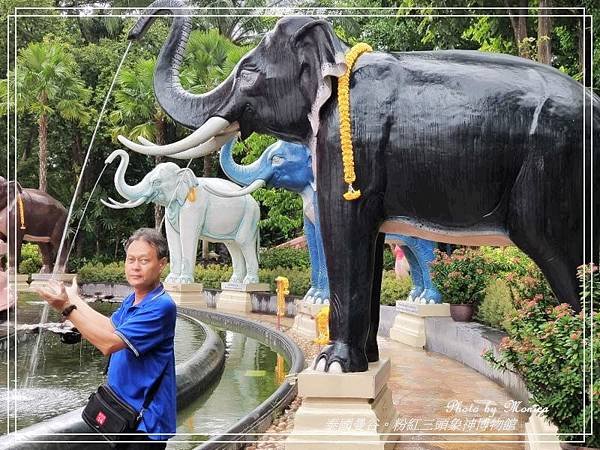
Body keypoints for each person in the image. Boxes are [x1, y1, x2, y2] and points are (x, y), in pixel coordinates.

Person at [34, 228, 177, 449]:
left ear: (161, 264)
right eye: (131, 260)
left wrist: (66, 308)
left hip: (145, 424)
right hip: (122, 412)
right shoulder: (134, 299)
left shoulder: (161, 306)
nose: (135, 266)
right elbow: (109, 327)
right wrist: (75, 299)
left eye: (144, 260)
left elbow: (108, 343)